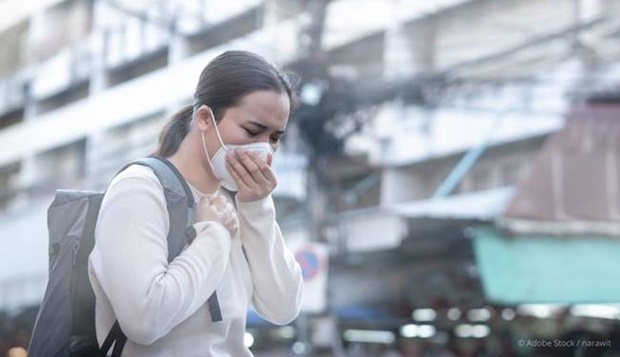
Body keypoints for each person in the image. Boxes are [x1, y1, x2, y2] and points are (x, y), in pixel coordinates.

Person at [88, 50, 304, 356]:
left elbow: (283, 308)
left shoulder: (238, 203)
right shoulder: (139, 188)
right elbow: (144, 321)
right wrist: (213, 236)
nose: (263, 150)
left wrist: (257, 208)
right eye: (253, 131)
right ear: (204, 118)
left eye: (274, 138)